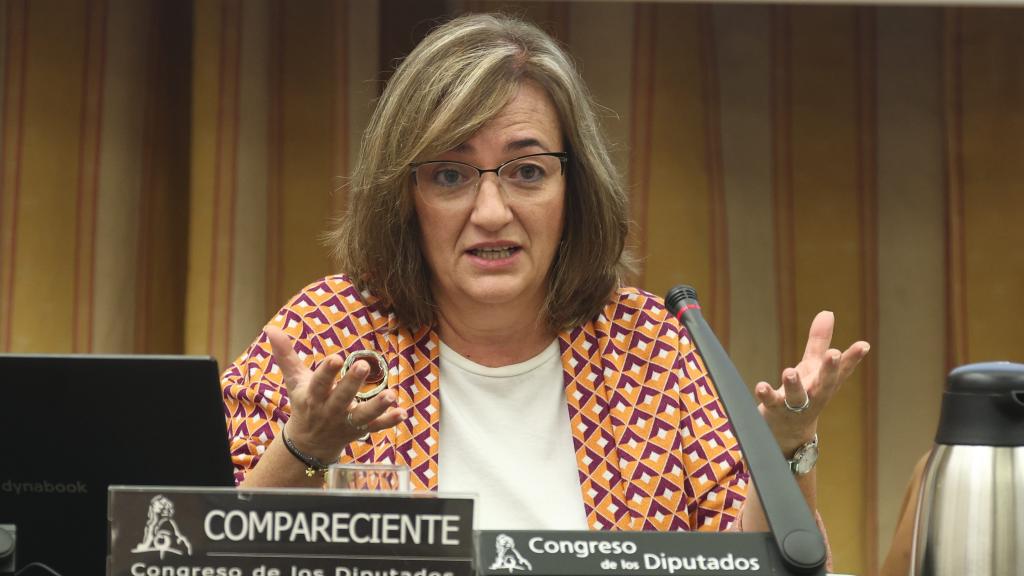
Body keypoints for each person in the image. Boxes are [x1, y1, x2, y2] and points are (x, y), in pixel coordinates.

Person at [221, 13, 869, 536]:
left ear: (574, 190)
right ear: (404, 197)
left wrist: (785, 449)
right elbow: (190, 550)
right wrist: (304, 448)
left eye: (526, 172)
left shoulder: (650, 347)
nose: (492, 212)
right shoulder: (328, 332)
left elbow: (751, 562)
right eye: (450, 175)